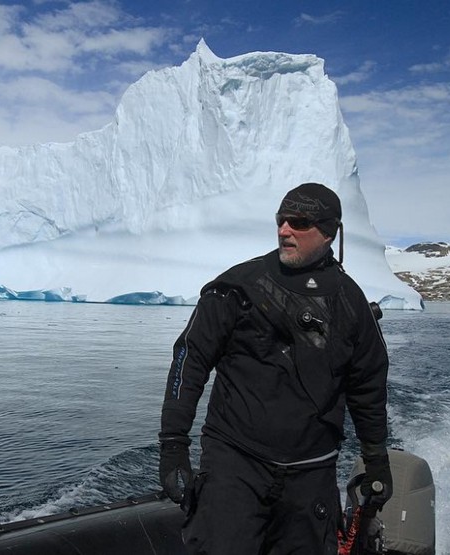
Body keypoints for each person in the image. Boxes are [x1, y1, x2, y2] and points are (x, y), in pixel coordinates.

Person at [158, 182, 392, 555]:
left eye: (299, 222)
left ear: (329, 232)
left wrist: (377, 459)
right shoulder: (238, 287)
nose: (285, 230)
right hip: (236, 464)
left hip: (312, 473)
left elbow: (367, 386)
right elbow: (190, 360)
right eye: (281, 220)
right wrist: (173, 446)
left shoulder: (352, 304)